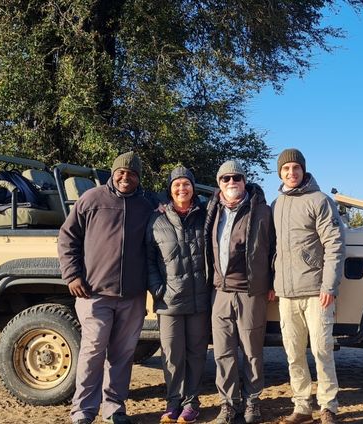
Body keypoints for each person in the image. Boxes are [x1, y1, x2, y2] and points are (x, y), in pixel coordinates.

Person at [58, 151, 155, 424]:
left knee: (122, 356)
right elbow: (67, 238)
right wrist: (72, 275)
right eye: (121, 172)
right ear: (113, 173)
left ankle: (114, 408)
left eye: (132, 174)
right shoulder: (92, 199)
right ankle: (83, 411)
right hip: (94, 293)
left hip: (132, 296)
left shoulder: (146, 206)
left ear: (138, 178)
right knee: (92, 353)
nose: (126, 178)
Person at [271, 148, 345, 424]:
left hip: (316, 291)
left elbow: (334, 245)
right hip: (286, 294)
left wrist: (329, 286)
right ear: (280, 173)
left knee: (322, 350)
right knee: (293, 353)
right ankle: (302, 406)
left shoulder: (320, 200)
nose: (291, 173)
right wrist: (272, 282)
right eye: (286, 169)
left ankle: (329, 406)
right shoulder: (276, 204)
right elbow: (272, 249)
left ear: (303, 170)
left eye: (296, 168)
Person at [204, 160, 275, 424]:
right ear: (218, 183)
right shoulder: (211, 210)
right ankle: (228, 403)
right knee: (223, 351)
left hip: (250, 292)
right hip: (220, 292)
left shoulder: (262, 211)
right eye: (226, 179)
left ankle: (253, 401)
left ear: (245, 181)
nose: (231, 183)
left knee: (252, 351)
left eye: (237, 178)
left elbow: (274, 250)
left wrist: (272, 283)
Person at [146, 167, 210, 424]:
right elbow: (149, 260)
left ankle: (191, 404)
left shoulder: (205, 216)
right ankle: (173, 403)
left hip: (199, 300)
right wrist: (158, 289)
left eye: (186, 184)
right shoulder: (157, 220)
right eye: (177, 185)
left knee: (196, 354)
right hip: (169, 301)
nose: (182, 189)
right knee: (172, 355)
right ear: (170, 190)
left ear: (193, 187)